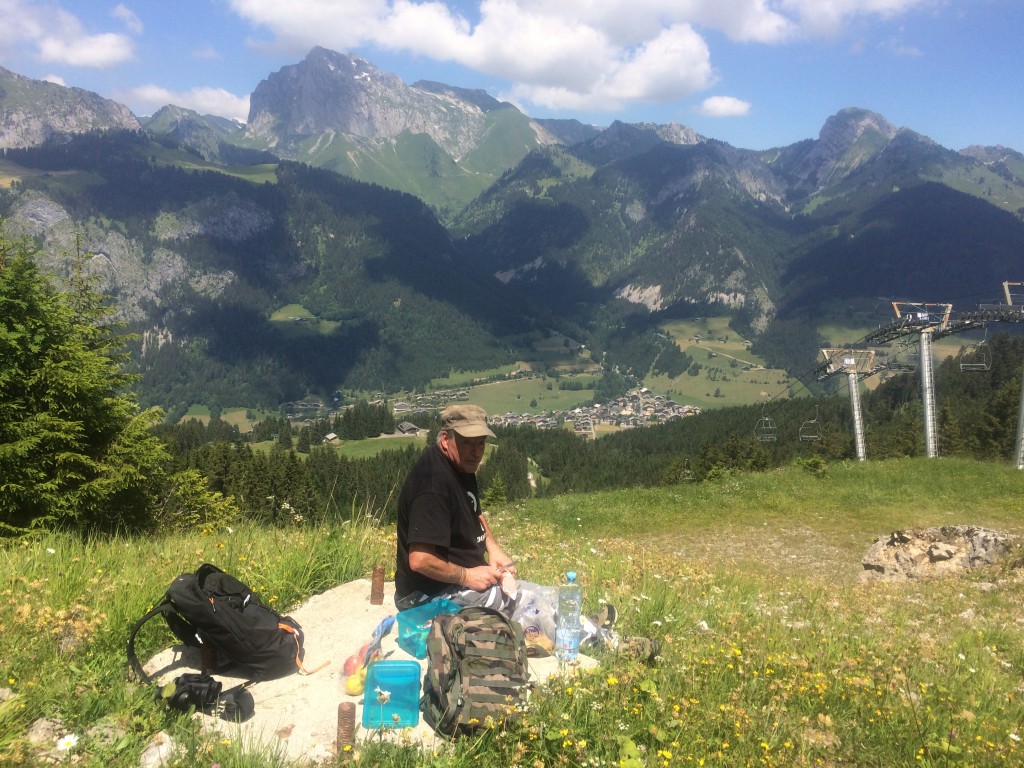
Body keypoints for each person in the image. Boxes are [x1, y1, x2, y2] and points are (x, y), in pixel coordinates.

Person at [394, 404, 518, 614]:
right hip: (426, 597)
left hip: (455, 583)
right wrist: (467, 576)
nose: (476, 452)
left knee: (525, 601)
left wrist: (493, 548)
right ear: (445, 439)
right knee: (524, 605)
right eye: (467, 442)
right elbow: (419, 560)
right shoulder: (432, 487)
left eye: (481, 443)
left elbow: (473, 510)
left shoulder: (460, 464)